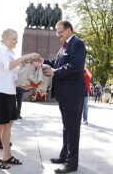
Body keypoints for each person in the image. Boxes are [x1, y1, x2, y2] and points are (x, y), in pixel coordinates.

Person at [39, 20, 86, 173]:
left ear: (68, 30)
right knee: (67, 127)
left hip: (73, 93)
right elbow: (55, 63)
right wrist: (42, 61)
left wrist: (55, 72)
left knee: (72, 128)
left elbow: (76, 65)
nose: (58, 34)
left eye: (60, 31)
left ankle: (71, 163)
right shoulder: (64, 46)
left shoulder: (77, 43)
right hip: (64, 93)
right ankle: (64, 155)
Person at [0, 28, 39, 169]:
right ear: (4, 39)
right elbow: (7, 67)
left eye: (17, 39)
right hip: (0, 91)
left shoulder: (11, 53)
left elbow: (15, 75)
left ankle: (7, 155)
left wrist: (27, 84)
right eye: (14, 38)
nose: (16, 41)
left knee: (8, 124)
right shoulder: (0, 49)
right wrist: (25, 57)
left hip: (10, 92)